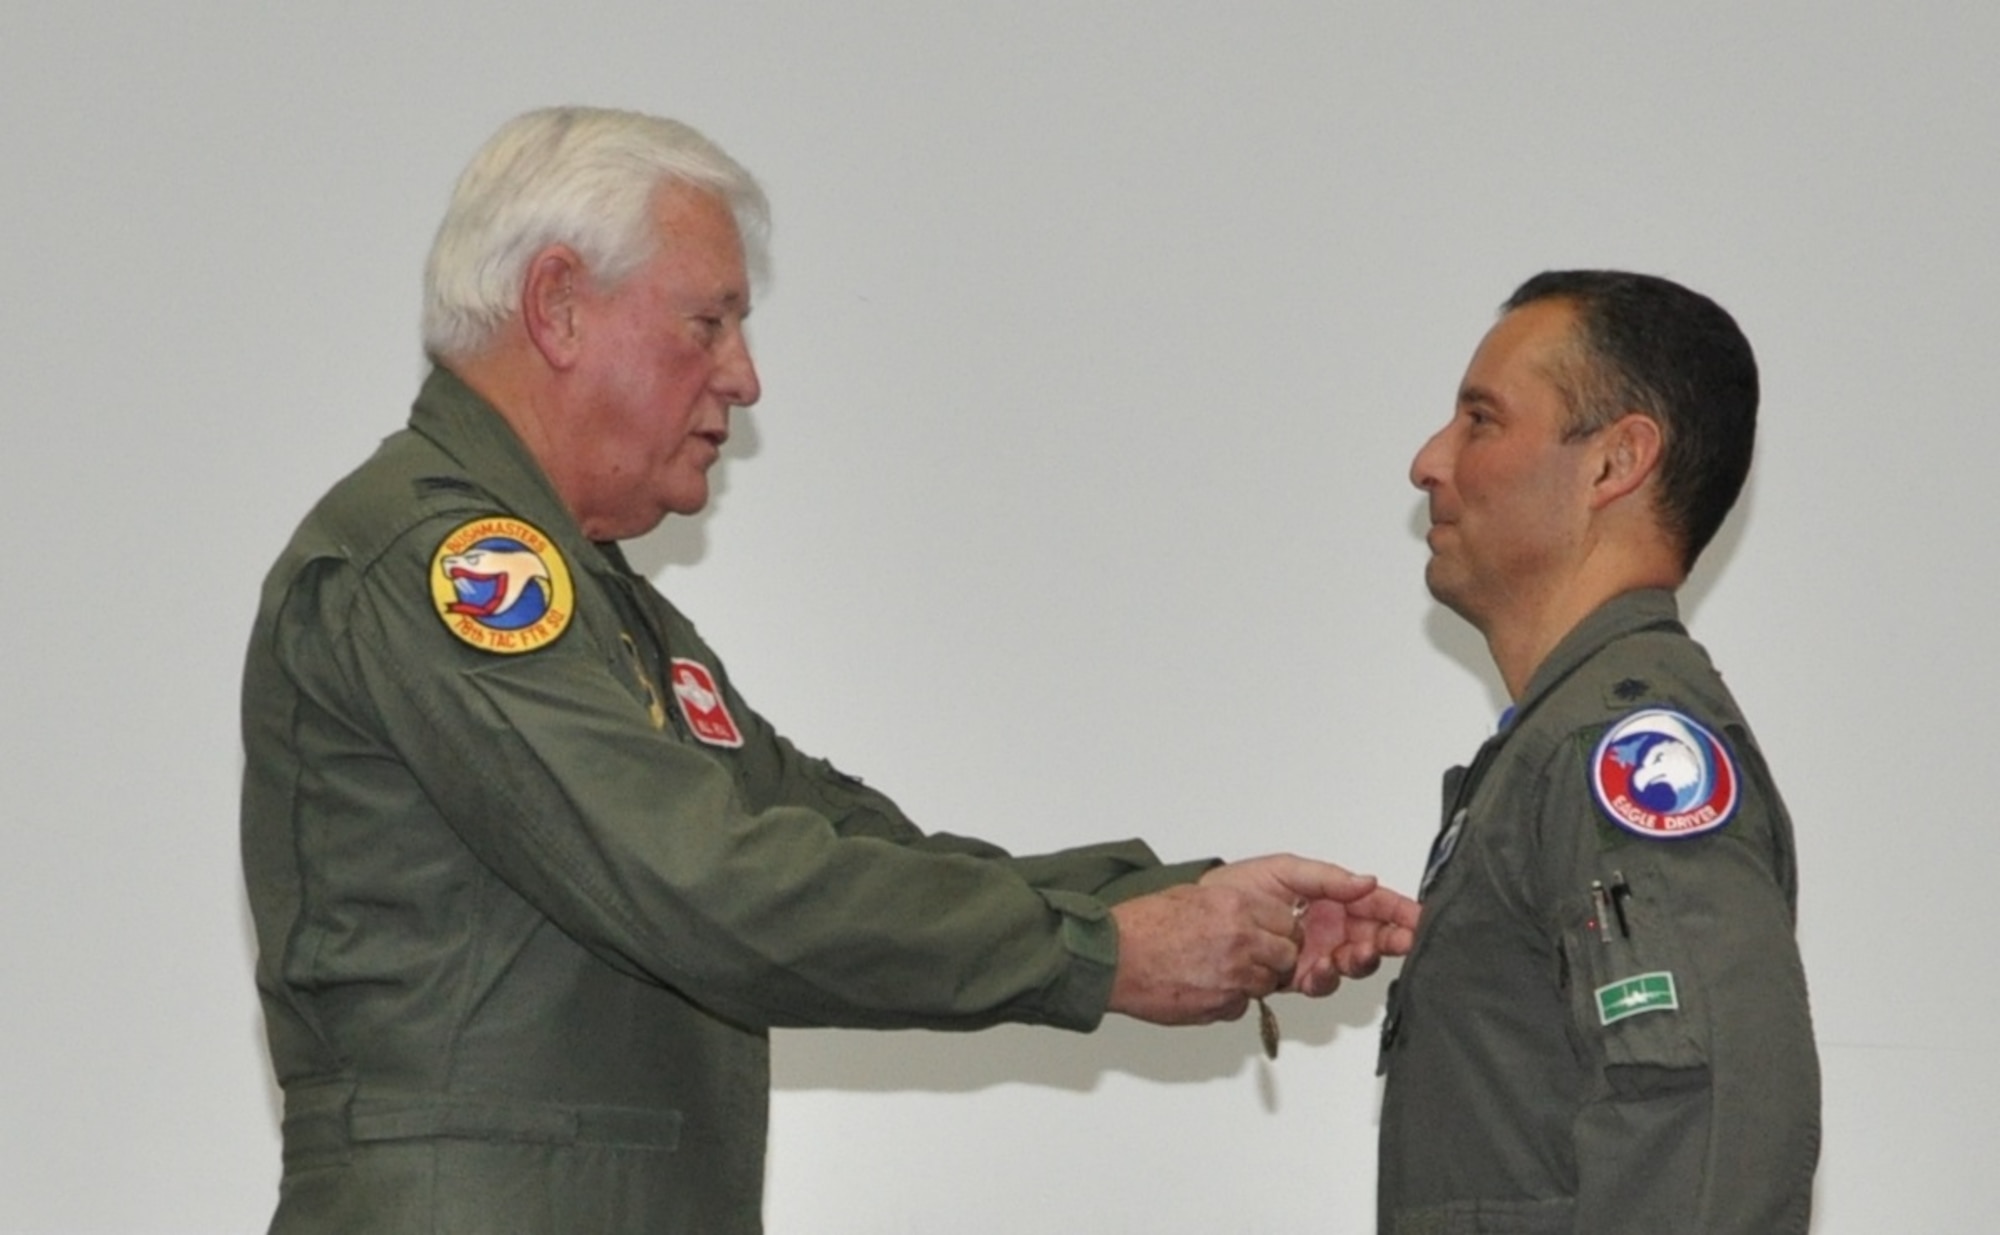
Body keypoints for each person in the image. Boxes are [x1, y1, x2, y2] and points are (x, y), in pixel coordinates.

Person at [239, 105, 1418, 1235]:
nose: (744, 377)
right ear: (557, 305)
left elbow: (848, 849)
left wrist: (1169, 899)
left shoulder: (608, 609)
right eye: (707, 323)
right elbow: (710, 886)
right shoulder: (447, 565)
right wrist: (1106, 953)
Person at [1376, 270, 1820, 1233]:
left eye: (1482, 421)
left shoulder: (1624, 749)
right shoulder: (1555, 746)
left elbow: (1706, 1134)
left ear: (1616, 461)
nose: (1428, 461)